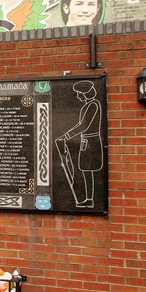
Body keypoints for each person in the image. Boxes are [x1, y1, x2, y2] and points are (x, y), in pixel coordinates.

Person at [55, 80, 103, 209]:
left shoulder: (93, 105)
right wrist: (65, 135)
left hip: (91, 141)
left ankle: (89, 199)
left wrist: (66, 136)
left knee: (88, 171)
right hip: (85, 141)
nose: (78, 96)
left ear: (85, 93)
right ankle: (88, 199)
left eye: (79, 93)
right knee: (85, 171)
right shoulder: (87, 106)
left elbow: (83, 125)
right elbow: (80, 124)